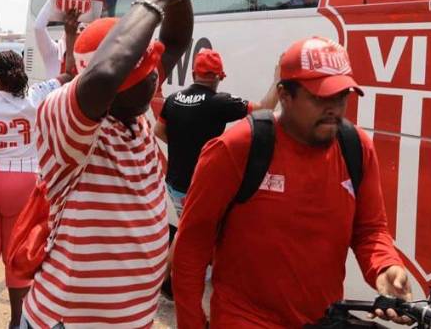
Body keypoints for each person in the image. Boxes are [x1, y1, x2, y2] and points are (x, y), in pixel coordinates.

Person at [172, 37, 413, 328]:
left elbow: (370, 229)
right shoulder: (238, 147)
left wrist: (385, 266)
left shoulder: (356, 147)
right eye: (320, 98)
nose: (334, 109)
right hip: (246, 319)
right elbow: (191, 247)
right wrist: (191, 322)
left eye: (341, 97)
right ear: (285, 95)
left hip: (323, 319)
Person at [21, 0, 196, 328]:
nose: (157, 78)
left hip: (130, 319)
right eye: (147, 73)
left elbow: (177, 41)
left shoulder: (135, 111)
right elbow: (103, 77)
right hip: (69, 320)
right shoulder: (66, 121)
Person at [0, 17, 76, 329]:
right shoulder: (37, 96)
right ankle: (16, 322)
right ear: (21, 71)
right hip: (24, 180)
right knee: (17, 256)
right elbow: (69, 74)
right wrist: (71, 32)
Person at [153, 48, 279, 297]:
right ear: (218, 77)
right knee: (193, 234)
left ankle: (170, 279)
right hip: (200, 184)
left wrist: (182, 147)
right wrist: (277, 80)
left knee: (190, 230)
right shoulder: (219, 102)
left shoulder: (173, 99)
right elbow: (264, 109)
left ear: (193, 73)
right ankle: (168, 280)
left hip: (175, 183)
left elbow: (159, 131)